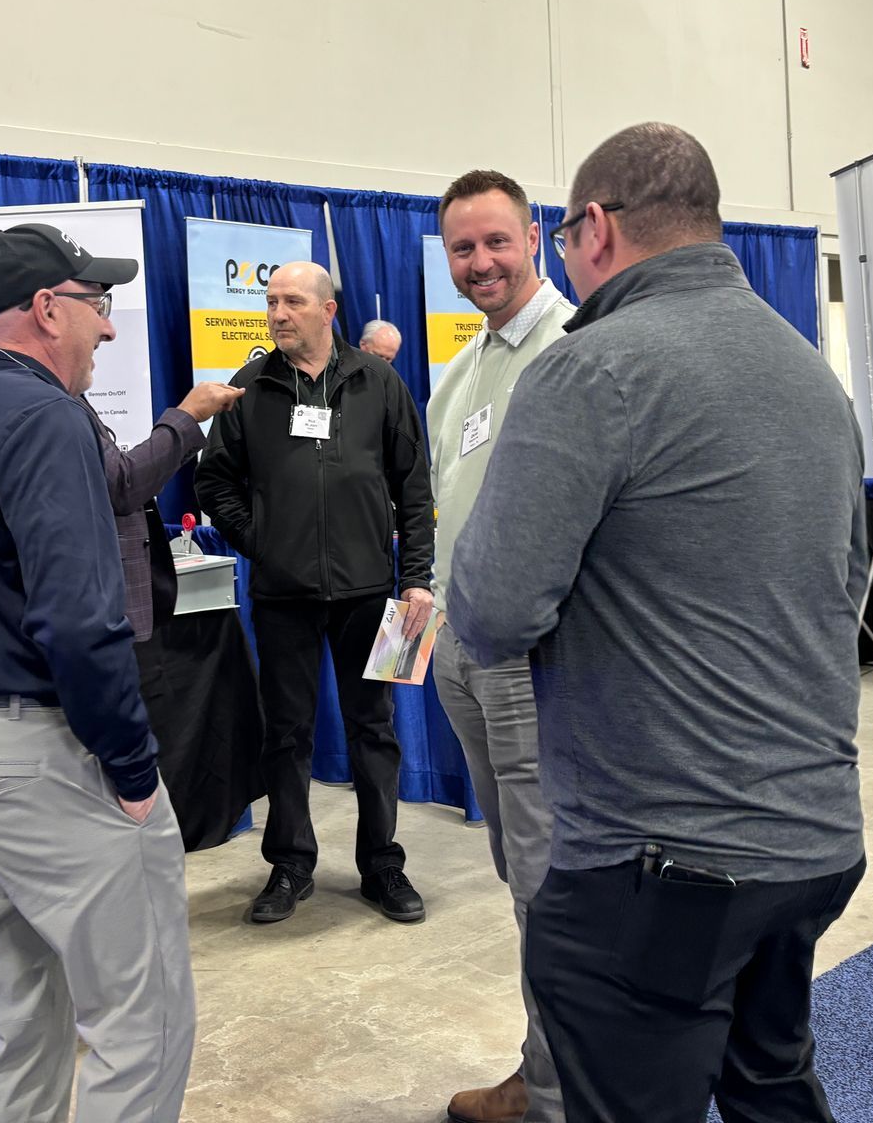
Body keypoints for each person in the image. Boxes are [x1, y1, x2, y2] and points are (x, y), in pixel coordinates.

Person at [449, 123, 869, 1123]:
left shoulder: (589, 368)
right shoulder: (808, 369)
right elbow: (848, 577)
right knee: (769, 1084)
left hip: (660, 857)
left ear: (593, 228)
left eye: (556, 239)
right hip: (812, 834)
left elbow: (495, 612)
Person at [0, 222, 194, 1123]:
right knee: (141, 1022)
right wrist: (132, 771)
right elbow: (77, 617)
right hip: (44, 758)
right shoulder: (46, 416)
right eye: (97, 305)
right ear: (46, 308)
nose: (108, 327)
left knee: (20, 1018)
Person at [195, 261, 436, 925]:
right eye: (271, 301)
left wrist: (417, 578)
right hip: (284, 595)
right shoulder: (253, 386)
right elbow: (213, 482)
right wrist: (263, 541)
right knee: (286, 734)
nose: (278, 313)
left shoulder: (378, 382)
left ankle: (382, 863)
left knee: (375, 731)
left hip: (372, 595)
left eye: (292, 302)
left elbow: (415, 488)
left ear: (328, 311)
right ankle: (290, 864)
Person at [425, 170, 575, 1123]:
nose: (480, 262)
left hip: (535, 660)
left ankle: (559, 1094)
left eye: (495, 241)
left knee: (550, 881)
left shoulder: (573, 352)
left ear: (536, 237)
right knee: (521, 874)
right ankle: (548, 1067)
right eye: (461, 248)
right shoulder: (460, 373)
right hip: (462, 651)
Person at [83, 382, 242, 644]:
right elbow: (125, 483)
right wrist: (189, 414)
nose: (92, 364)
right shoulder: (54, 404)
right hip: (102, 609)